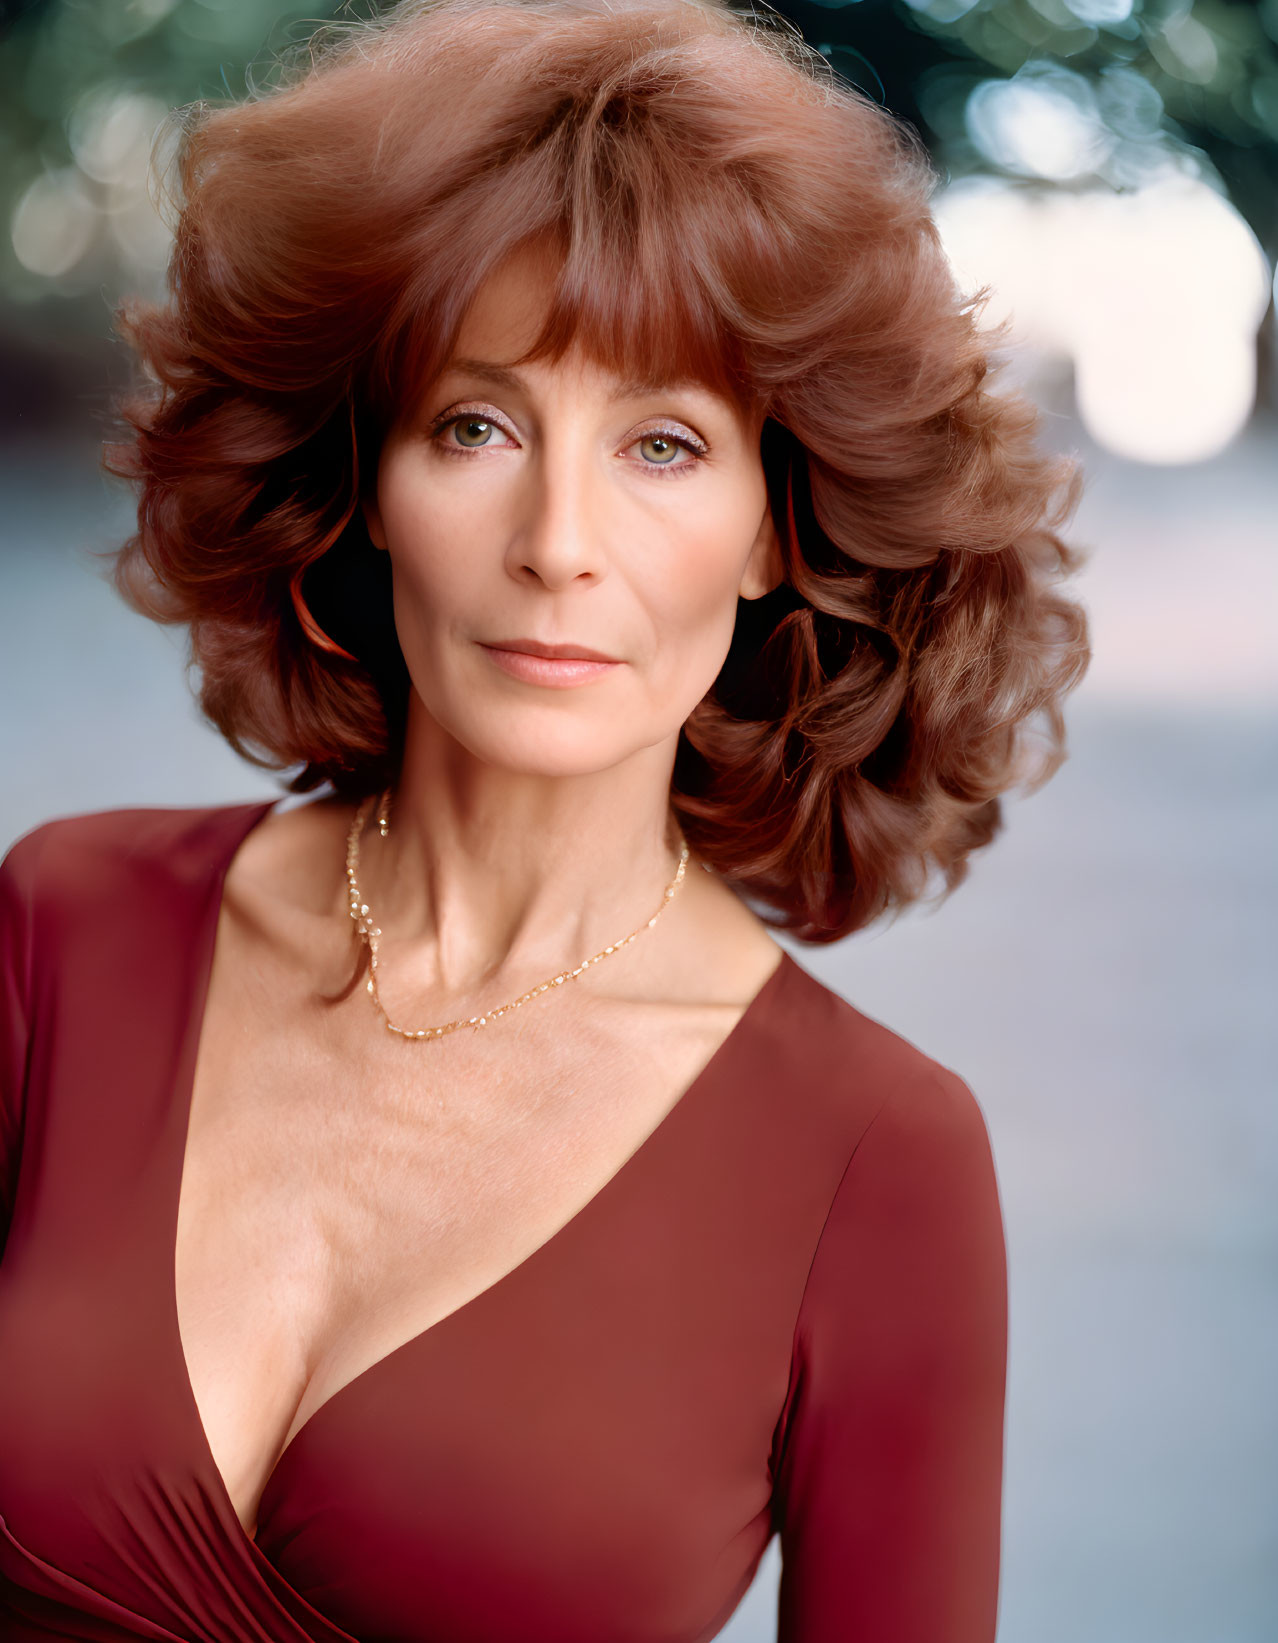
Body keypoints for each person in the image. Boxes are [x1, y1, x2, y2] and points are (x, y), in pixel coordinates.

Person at [0, 0, 1091, 1637]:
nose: (558, 541)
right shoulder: (64, 926)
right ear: (367, 475)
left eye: (661, 444)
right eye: (478, 425)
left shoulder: (879, 1161)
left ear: (772, 528)